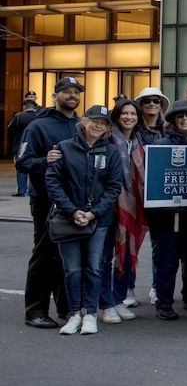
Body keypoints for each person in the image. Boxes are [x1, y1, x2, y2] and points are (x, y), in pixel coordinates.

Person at [45, 105, 123, 335]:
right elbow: (53, 182)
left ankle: (90, 313)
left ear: (108, 127)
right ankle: (73, 313)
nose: (98, 125)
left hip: (99, 219)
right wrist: (72, 211)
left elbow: (114, 187)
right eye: (95, 120)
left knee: (94, 267)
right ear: (84, 121)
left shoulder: (110, 152)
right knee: (72, 269)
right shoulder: (64, 148)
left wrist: (93, 212)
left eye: (104, 122)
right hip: (69, 218)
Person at [16, 78, 86, 328]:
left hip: (74, 202)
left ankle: (66, 309)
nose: (72, 95)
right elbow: (22, 162)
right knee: (45, 254)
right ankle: (35, 311)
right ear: (55, 96)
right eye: (66, 91)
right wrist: (44, 160)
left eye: (75, 92)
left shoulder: (80, 124)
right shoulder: (38, 126)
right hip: (46, 201)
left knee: (67, 256)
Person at [145, 99, 187, 320]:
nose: (185, 119)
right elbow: (152, 180)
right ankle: (164, 302)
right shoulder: (159, 145)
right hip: (166, 215)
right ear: (172, 120)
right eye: (180, 116)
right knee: (167, 258)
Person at [106, 99, 148, 318]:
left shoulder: (139, 140)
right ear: (117, 115)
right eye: (125, 113)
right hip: (110, 205)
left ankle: (119, 298)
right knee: (105, 257)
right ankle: (106, 303)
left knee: (126, 255)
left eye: (133, 114)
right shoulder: (109, 138)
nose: (129, 117)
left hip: (133, 205)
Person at [7, 98, 39, 197]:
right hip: (37, 145)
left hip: (21, 145)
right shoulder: (39, 116)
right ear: (35, 106)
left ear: (24, 106)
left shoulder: (19, 117)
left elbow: (10, 129)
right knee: (36, 167)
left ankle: (21, 190)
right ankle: (34, 190)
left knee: (21, 167)